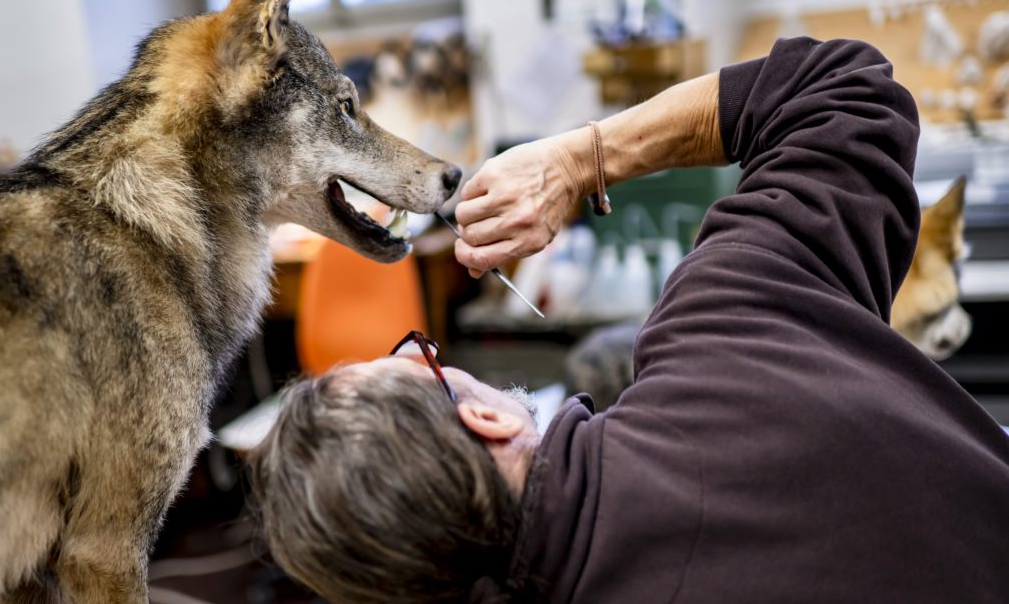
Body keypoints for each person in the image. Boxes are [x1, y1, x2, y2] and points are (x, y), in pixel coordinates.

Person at [247, 38, 1009, 603]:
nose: (436, 352)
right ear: (485, 417)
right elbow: (844, 90)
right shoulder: (725, 338)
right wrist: (579, 160)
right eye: (423, 357)